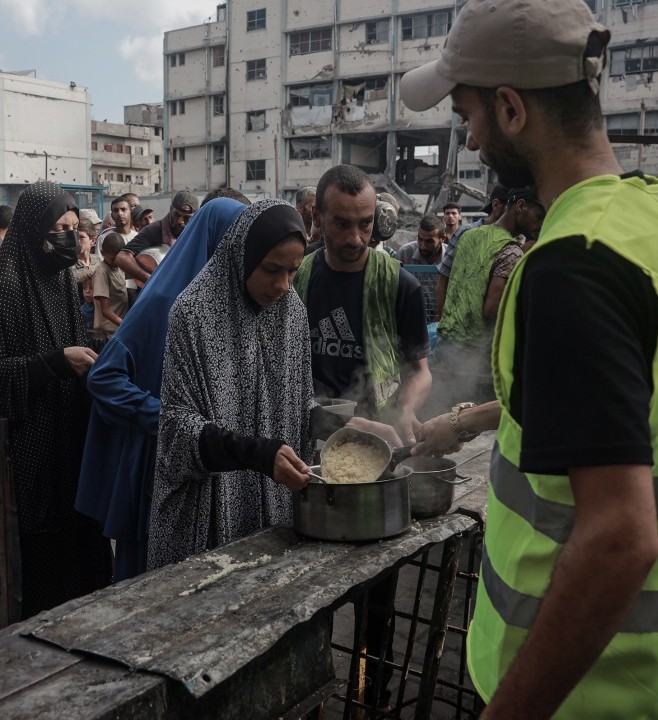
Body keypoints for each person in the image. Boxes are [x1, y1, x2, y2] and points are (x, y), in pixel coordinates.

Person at [397, 1, 658, 718]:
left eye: (467, 115)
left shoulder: (575, 265)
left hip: (585, 694)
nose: (469, 142)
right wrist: (469, 421)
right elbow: (637, 406)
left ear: (509, 108)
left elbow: (620, 539)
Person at [78, 197, 246, 580]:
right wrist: (164, 417)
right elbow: (104, 377)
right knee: (145, 581)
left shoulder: (225, 303)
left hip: (201, 459)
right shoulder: (163, 301)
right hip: (155, 460)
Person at [0, 182, 112, 620]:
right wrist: (54, 362)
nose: (70, 236)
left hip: (68, 442)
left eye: (74, 227)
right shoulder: (3, 290)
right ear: (33, 230)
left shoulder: (63, 283)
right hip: (30, 450)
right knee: (45, 567)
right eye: (60, 227)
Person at [147, 199, 314, 570]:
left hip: (272, 506)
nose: (283, 285)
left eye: (293, 271)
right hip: (206, 510)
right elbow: (176, 429)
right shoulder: (194, 314)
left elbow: (301, 405)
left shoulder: (292, 312)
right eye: (271, 269)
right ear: (242, 255)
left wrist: (347, 425)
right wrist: (253, 452)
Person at [294, 165, 431, 443]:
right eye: (342, 224)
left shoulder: (400, 286)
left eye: (365, 223)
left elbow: (420, 371)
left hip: (379, 434)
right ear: (318, 217)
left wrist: (406, 409)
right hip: (307, 430)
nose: (355, 238)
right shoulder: (296, 278)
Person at [433, 186, 545, 404]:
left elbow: (446, 284)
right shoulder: (511, 251)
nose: (540, 224)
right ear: (520, 206)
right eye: (538, 215)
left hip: (445, 346)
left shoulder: (468, 236)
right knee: (470, 427)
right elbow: (492, 311)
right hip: (474, 360)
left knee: (439, 417)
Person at [115, 190, 198, 286]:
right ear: (171, 209)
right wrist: (151, 280)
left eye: (186, 218)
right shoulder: (155, 229)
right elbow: (122, 257)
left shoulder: (197, 232)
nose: (180, 221)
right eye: (177, 215)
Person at [91, 232, 129, 343]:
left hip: (119, 329)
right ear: (102, 253)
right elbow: (105, 310)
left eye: (119, 258)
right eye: (113, 259)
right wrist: (125, 324)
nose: (116, 261)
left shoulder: (119, 267)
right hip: (108, 333)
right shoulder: (102, 272)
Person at [73, 218, 100, 334]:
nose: (77, 241)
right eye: (75, 237)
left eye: (81, 237)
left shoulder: (98, 261)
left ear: (93, 240)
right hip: (79, 320)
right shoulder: (69, 264)